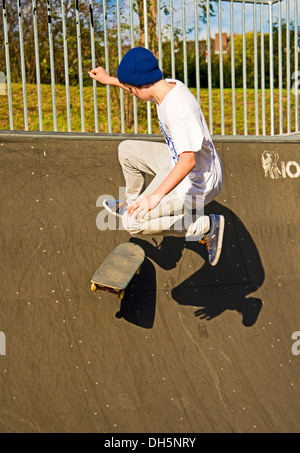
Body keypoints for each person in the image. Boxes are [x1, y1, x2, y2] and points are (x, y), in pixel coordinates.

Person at [88, 47, 224, 266]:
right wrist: (111, 80)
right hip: (176, 162)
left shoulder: (178, 111)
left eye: (132, 89)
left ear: (142, 85)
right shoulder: (167, 85)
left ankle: (206, 227)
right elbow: (138, 81)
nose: (131, 93)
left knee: (132, 223)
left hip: (196, 183)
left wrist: (154, 197)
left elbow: (188, 161)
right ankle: (131, 203)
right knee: (127, 150)